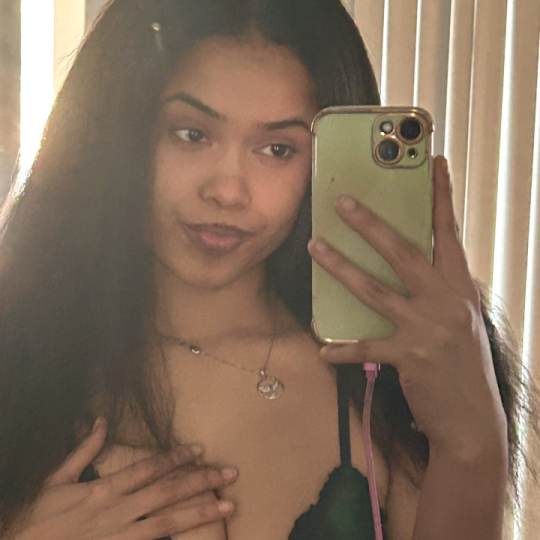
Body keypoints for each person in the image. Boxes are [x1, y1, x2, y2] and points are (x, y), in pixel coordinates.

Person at [0, 0, 538, 539]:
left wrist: (473, 442)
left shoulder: (390, 377)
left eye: (278, 149)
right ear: (114, 133)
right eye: (191, 134)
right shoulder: (18, 358)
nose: (228, 190)